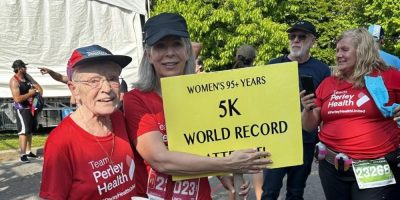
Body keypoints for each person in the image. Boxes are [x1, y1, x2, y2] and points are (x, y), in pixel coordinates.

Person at [123, 12, 273, 200]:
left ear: (187, 51)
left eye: (176, 44)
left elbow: (208, 144)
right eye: (160, 46)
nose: (169, 53)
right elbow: (160, 159)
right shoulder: (136, 99)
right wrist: (227, 164)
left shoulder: (202, 95)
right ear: (149, 55)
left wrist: (223, 174)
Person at [301, 28, 400, 200]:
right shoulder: (328, 83)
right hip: (331, 167)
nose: (338, 54)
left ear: (362, 50)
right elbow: (309, 125)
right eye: (337, 50)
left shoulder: (388, 76)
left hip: (375, 166)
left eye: (344, 49)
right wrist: (307, 109)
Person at [40, 45, 138, 199]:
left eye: (112, 78)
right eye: (94, 81)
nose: (107, 88)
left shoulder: (119, 118)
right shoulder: (60, 142)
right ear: (74, 89)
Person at [261, 20, 331, 200]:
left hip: (305, 140)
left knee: (296, 191)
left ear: (312, 41)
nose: (296, 40)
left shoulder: (322, 70)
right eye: (292, 36)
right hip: (277, 138)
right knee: (269, 190)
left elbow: (324, 106)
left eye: (302, 37)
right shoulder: (273, 65)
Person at [9, 59, 43, 163]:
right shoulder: (14, 81)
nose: (26, 68)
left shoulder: (27, 77)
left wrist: (38, 96)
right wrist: (30, 93)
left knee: (30, 131)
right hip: (22, 109)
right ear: (19, 69)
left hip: (31, 107)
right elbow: (17, 99)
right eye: (24, 67)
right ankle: (22, 154)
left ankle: (28, 151)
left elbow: (38, 87)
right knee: (23, 132)